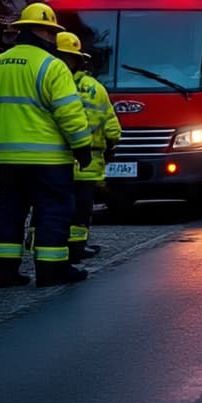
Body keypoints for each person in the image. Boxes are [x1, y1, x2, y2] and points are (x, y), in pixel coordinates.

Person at [0, 3, 94, 288]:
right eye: (50, 33)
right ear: (45, 33)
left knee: (10, 211)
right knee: (52, 212)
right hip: (48, 161)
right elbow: (69, 113)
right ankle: (51, 272)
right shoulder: (52, 66)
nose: (51, 39)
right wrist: (83, 147)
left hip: (6, 160)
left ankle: (6, 274)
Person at [53, 31, 121, 264]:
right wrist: (110, 148)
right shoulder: (95, 88)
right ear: (80, 60)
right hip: (88, 162)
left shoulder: (46, 83)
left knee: (55, 207)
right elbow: (112, 128)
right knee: (81, 209)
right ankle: (78, 248)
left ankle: (48, 246)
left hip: (53, 162)